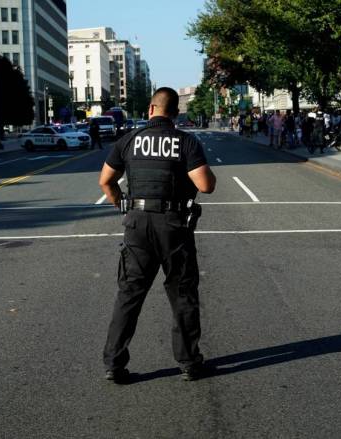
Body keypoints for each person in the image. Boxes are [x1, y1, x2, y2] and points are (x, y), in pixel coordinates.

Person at [98, 87, 217, 383]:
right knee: (182, 294)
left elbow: (106, 181)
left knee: (129, 294)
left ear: (151, 110)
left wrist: (122, 204)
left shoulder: (129, 141)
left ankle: (114, 363)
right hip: (174, 225)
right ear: (175, 113)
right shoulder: (185, 142)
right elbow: (206, 185)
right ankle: (189, 362)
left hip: (137, 223)